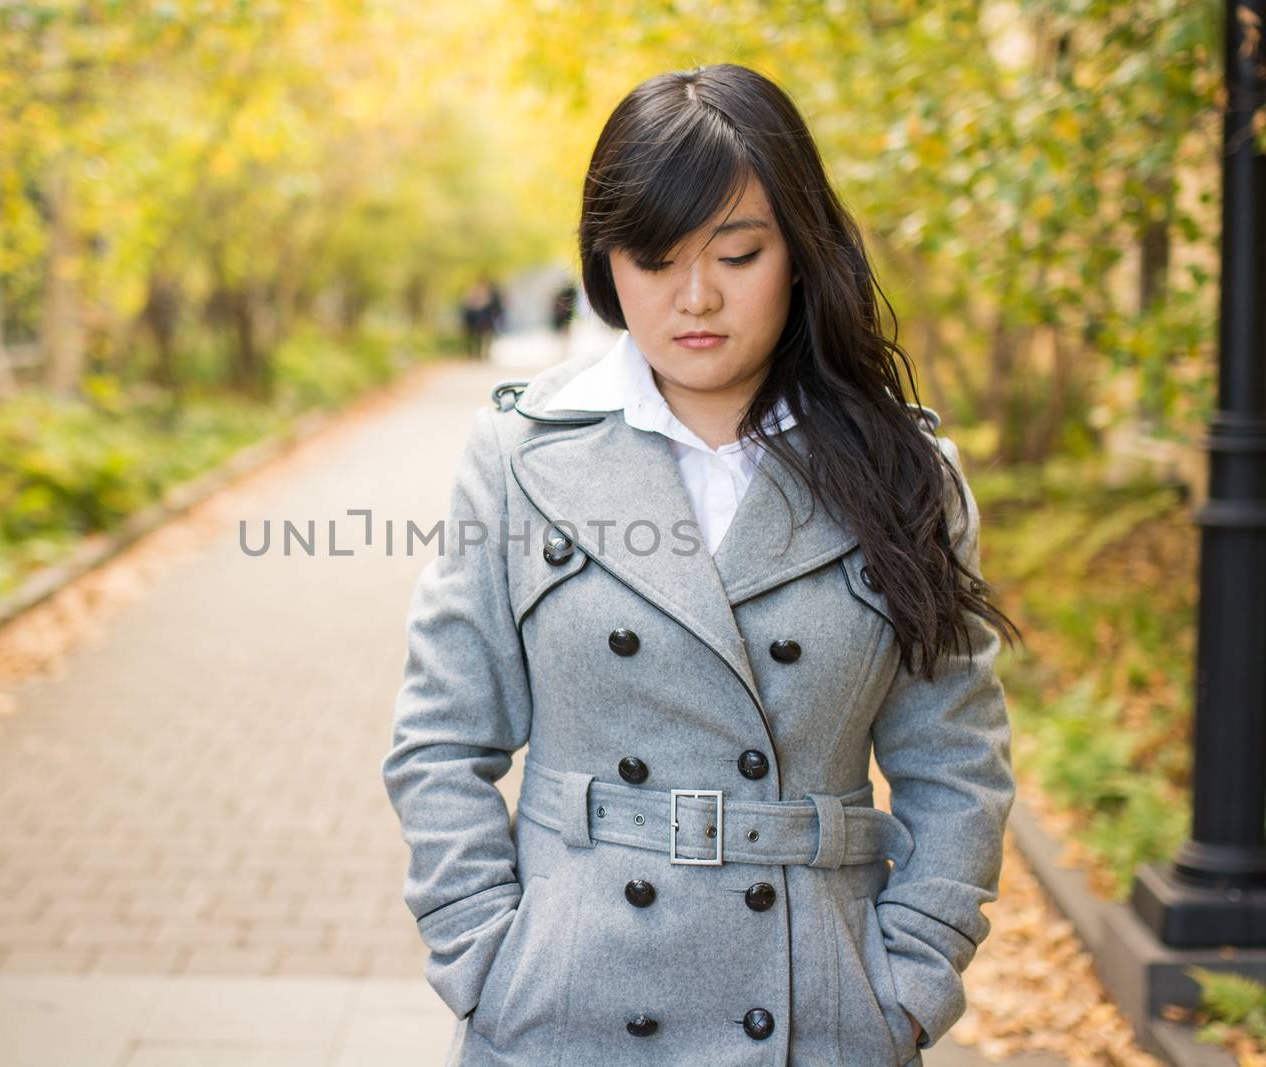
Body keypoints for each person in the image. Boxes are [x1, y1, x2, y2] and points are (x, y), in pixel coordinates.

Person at [382, 63, 1021, 1067]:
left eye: (738, 252)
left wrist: (909, 978)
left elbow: (956, 760)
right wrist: (485, 958)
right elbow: (438, 740)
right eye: (652, 256)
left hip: (820, 1014)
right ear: (605, 263)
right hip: (566, 1009)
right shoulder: (521, 456)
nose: (694, 297)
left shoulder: (903, 472)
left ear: (800, 253)